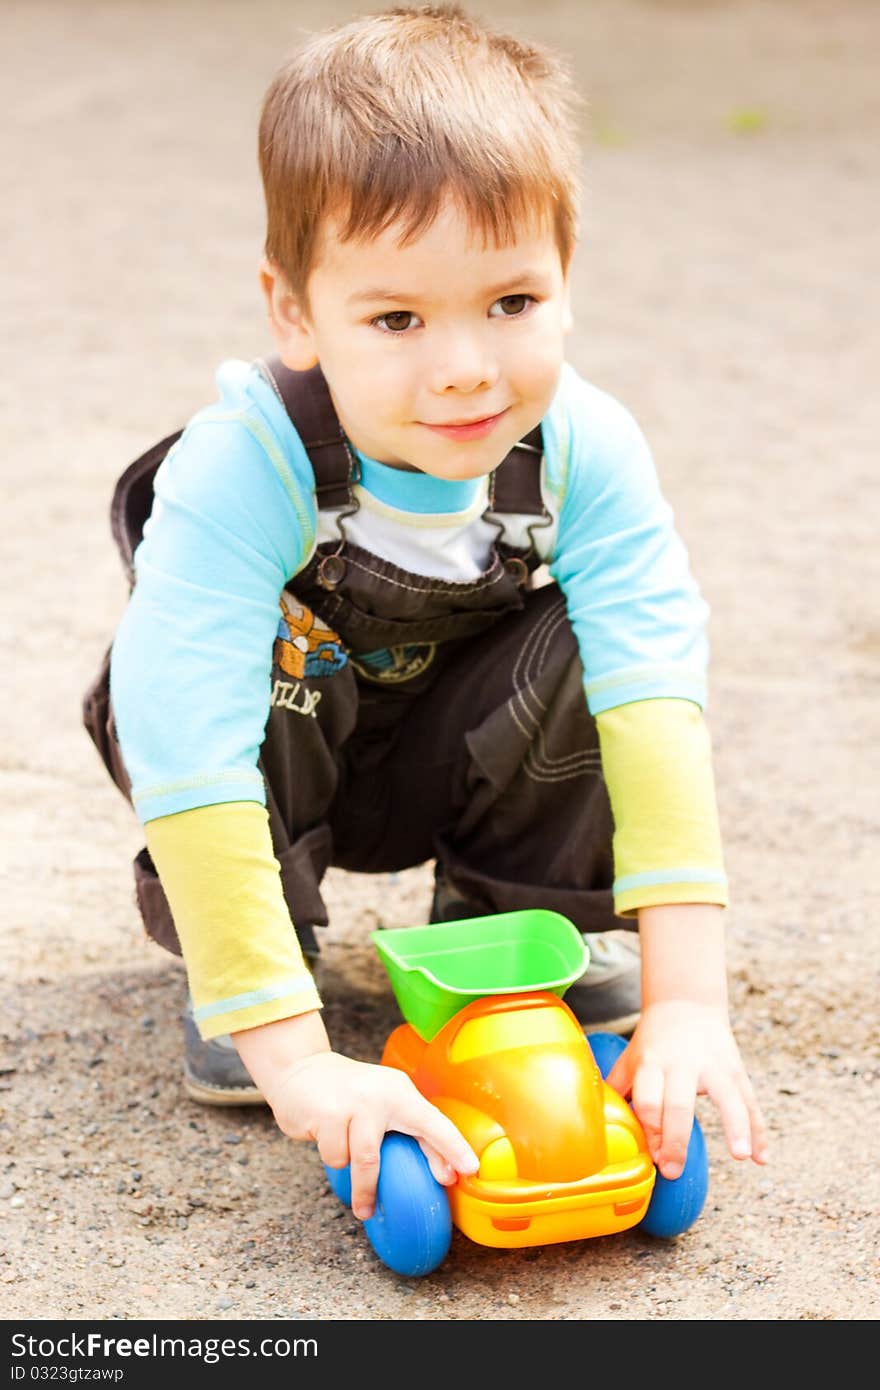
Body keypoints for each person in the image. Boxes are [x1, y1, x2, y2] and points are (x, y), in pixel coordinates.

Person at [83, 3, 767, 1224]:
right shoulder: (246, 463)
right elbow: (184, 739)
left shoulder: (581, 450)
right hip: (276, 757)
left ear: (566, 277)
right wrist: (296, 1060)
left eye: (510, 302)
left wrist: (686, 1003)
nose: (463, 366)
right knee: (266, 653)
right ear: (294, 310)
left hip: (460, 746)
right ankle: (259, 965)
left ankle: (514, 938)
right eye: (396, 318)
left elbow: (656, 698)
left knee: (591, 649)